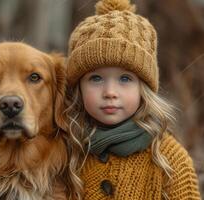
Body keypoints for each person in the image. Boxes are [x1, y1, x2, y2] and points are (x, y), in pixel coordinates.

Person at [63, 0, 201, 199]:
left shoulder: (169, 159)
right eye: (96, 78)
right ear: (79, 88)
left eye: (125, 79)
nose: (110, 92)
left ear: (142, 87)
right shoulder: (69, 153)